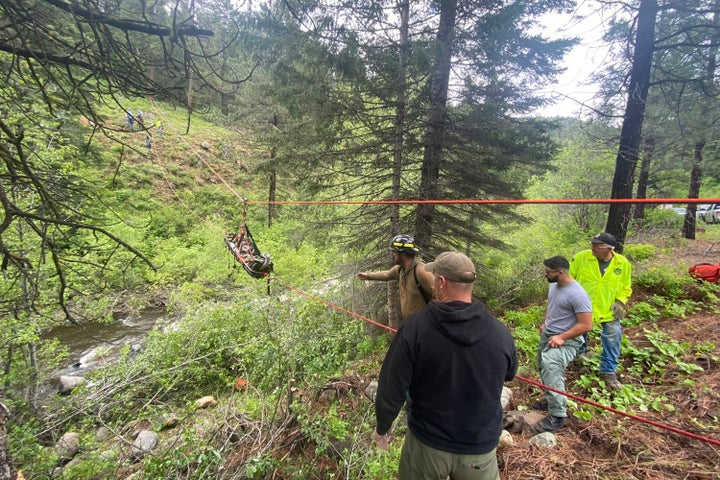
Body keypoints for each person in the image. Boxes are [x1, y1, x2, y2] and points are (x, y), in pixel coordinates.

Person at [374, 251, 518, 480]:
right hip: (479, 449)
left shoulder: (415, 328)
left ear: (440, 282)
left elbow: (392, 385)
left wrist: (383, 426)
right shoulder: (500, 333)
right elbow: (509, 373)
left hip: (427, 444)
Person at [534, 255, 593, 432]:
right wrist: (546, 322)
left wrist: (562, 337)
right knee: (542, 366)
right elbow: (552, 306)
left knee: (551, 365)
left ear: (561, 272)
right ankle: (550, 398)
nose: (545, 275)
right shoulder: (554, 285)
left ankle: (557, 415)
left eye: (548, 272)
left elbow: (586, 324)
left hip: (567, 339)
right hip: (549, 334)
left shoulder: (578, 295)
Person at [569, 232, 632, 390]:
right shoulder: (581, 257)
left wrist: (620, 302)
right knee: (579, 334)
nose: (593, 248)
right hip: (582, 307)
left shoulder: (622, 264)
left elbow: (626, 287)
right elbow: (568, 279)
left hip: (607, 309)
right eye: (592, 244)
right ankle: (579, 358)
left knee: (613, 338)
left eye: (597, 246)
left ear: (609, 248)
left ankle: (608, 372)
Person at [357, 234, 435, 321]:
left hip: (424, 326)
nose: (393, 255)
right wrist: (368, 276)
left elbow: (438, 294)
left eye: (394, 252)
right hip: (410, 326)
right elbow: (387, 274)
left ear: (402, 254)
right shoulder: (400, 269)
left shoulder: (421, 270)